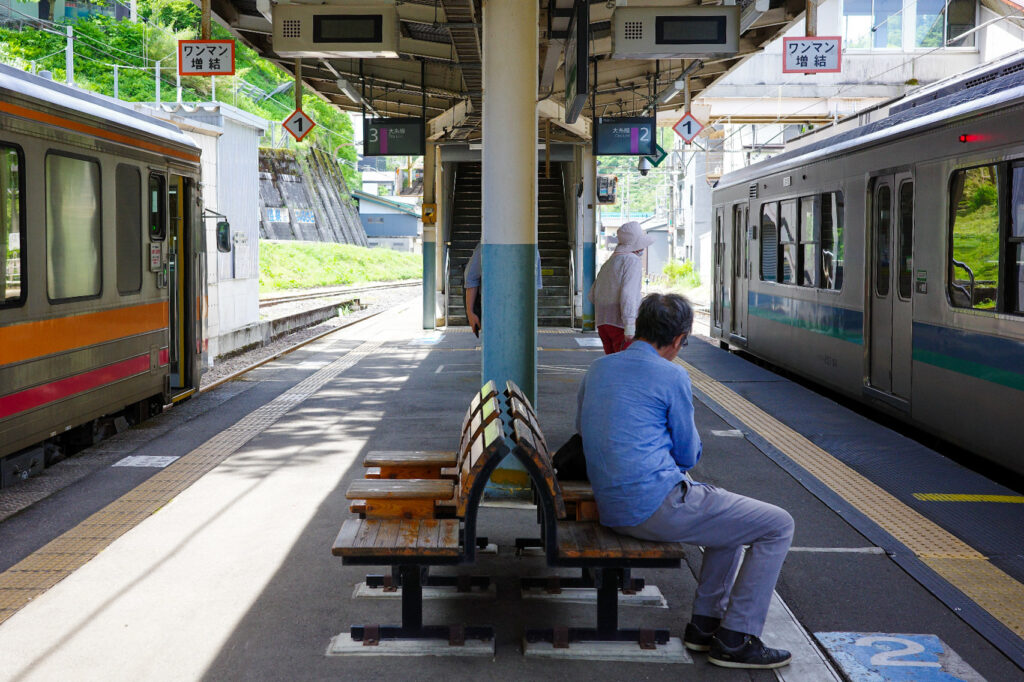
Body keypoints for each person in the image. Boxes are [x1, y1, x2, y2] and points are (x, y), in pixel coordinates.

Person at [576, 293, 795, 670]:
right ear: (679, 339)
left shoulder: (599, 368)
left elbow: (583, 429)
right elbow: (689, 454)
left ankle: (706, 626)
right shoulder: (673, 375)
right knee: (777, 524)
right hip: (653, 506)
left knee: (728, 520)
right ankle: (736, 637)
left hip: (612, 505)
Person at [589, 221, 654, 354]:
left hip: (603, 323)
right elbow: (628, 294)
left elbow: (592, 295)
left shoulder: (609, 263)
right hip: (621, 324)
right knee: (625, 367)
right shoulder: (632, 261)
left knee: (613, 364)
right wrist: (630, 326)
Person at [464, 241, 542, 337]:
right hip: (517, 314)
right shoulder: (532, 249)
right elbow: (534, 288)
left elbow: (471, 279)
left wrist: (470, 312)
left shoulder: (485, 247)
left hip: (493, 313)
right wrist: (470, 312)